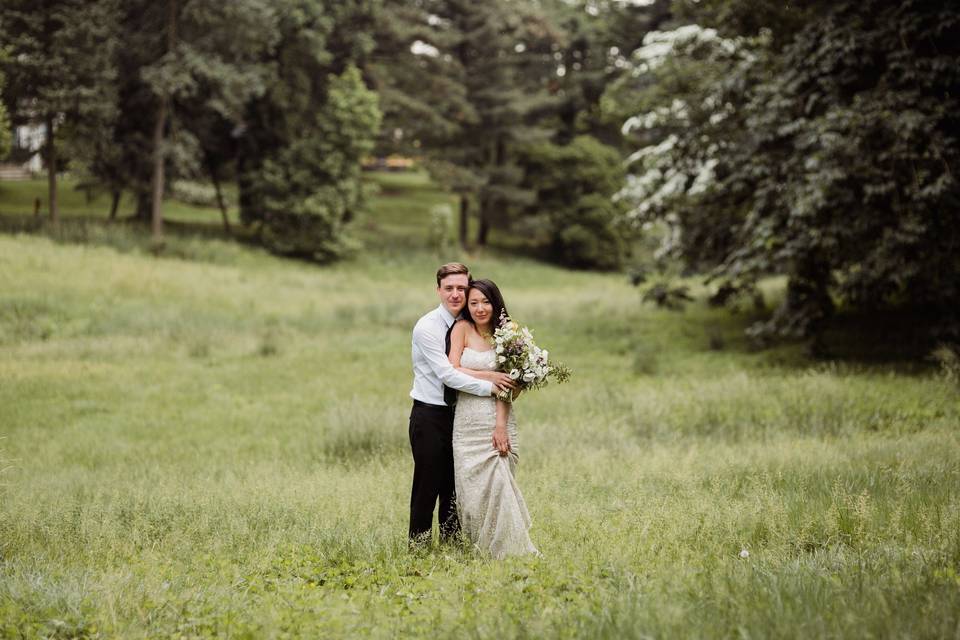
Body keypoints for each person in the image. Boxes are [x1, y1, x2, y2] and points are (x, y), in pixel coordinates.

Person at [408, 263, 515, 546]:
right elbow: (448, 373)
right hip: (431, 414)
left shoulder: (475, 325)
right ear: (439, 290)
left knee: (455, 485)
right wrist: (492, 384)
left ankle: (451, 545)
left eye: (461, 288)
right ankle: (417, 547)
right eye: (449, 288)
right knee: (427, 484)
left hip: (463, 415)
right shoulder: (427, 327)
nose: (455, 294)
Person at [447, 279, 539, 558]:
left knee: (499, 485)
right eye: (473, 303)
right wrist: (488, 375)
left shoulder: (508, 335)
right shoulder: (461, 329)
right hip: (466, 421)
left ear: (495, 303)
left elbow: (511, 387)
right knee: (472, 490)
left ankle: (511, 550)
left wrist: (500, 427)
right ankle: (481, 549)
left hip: (496, 419)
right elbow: (452, 370)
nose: (479, 308)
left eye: (485, 302)